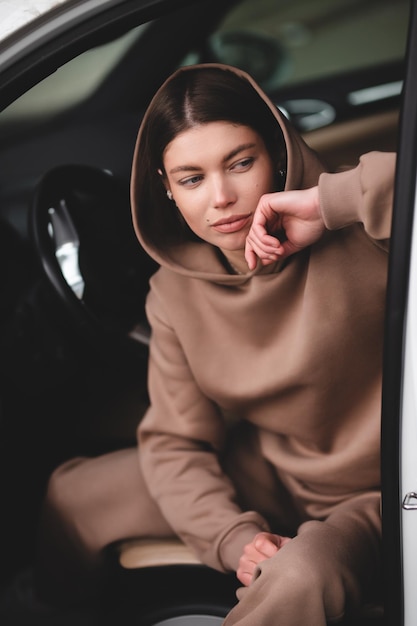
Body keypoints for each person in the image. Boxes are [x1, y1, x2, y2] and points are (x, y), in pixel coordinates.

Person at [32, 63, 396, 625]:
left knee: (301, 576)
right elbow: (176, 444)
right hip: (271, 470)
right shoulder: (173, 293)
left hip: (381, 491)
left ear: (276, 151)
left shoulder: (366, 234)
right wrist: (233, 537)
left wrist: (330, 204)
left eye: (241, 163)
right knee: (77, 492)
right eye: (192, 178)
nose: (222, 198)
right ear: (168, 189)